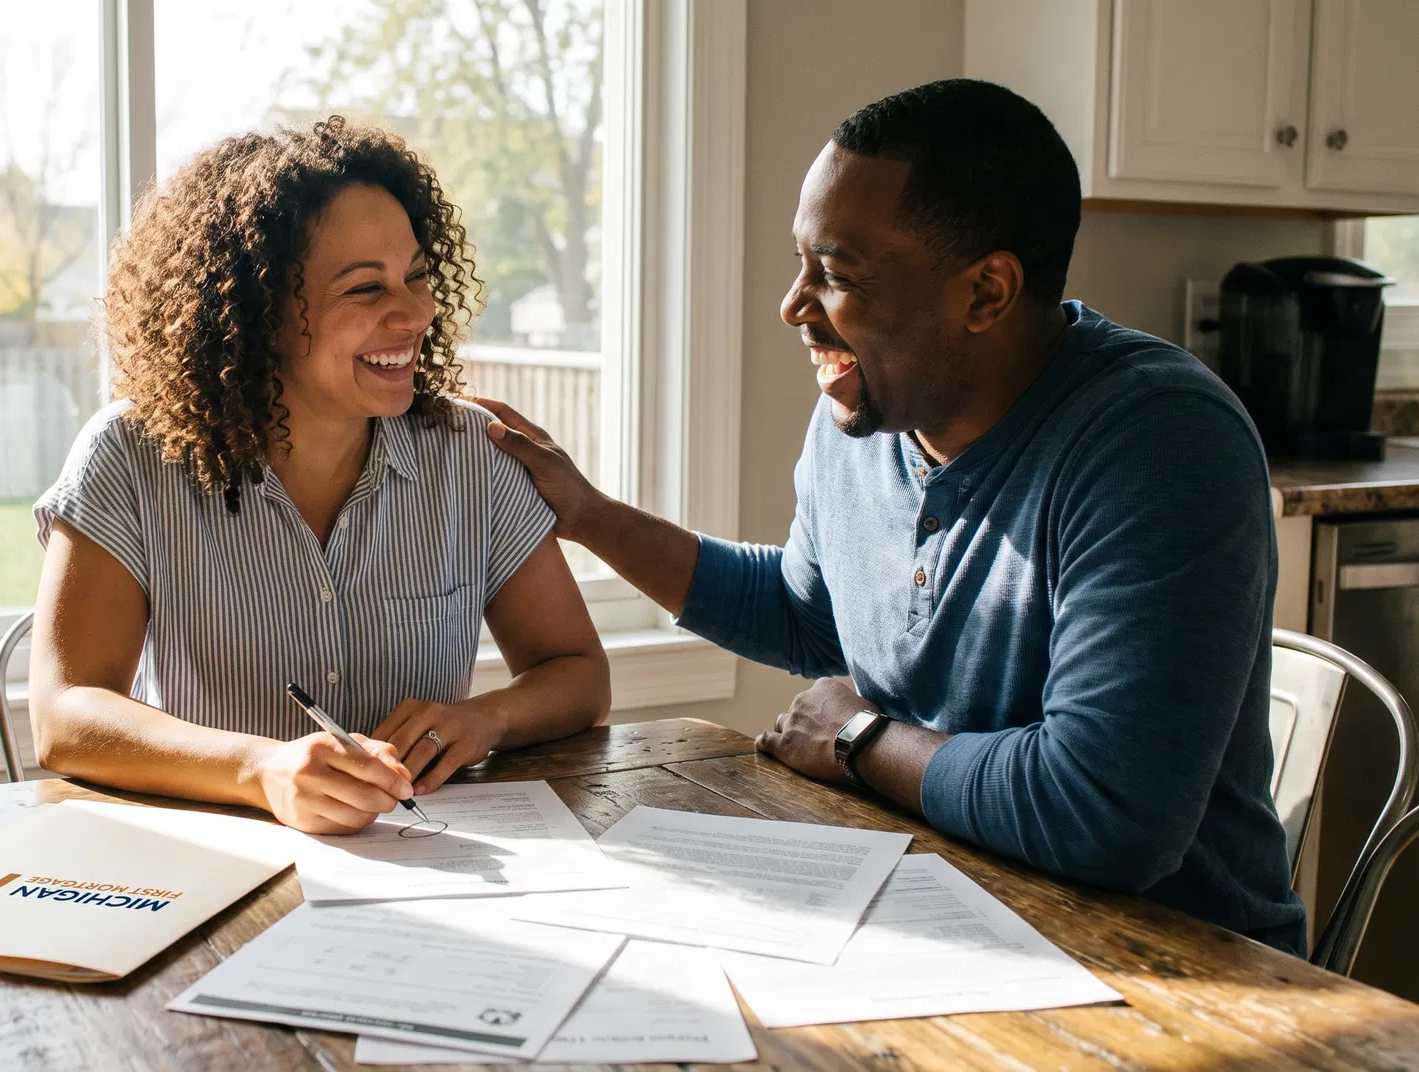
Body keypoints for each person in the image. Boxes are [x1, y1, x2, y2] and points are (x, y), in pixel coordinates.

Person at [476, 79, 1306, 953]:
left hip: (1176, 965)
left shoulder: (1161, 441)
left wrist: (859, 737)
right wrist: (590, 514)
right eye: (802, 265)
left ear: (985, 292)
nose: (795, 306)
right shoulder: (868, 412)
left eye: (835, 276)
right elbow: (806, 610)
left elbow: (1102, 813)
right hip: (950, 913)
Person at [27, 118, 609, 835]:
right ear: (256, 312)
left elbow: (577, 672)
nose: (415, 312)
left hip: (425, 857)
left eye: (418, 276)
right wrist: (260, 770)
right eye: (366, 289)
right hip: (215, 861)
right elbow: (65, 713)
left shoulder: (471, 454)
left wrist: (483, 719)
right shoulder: (130, 454)